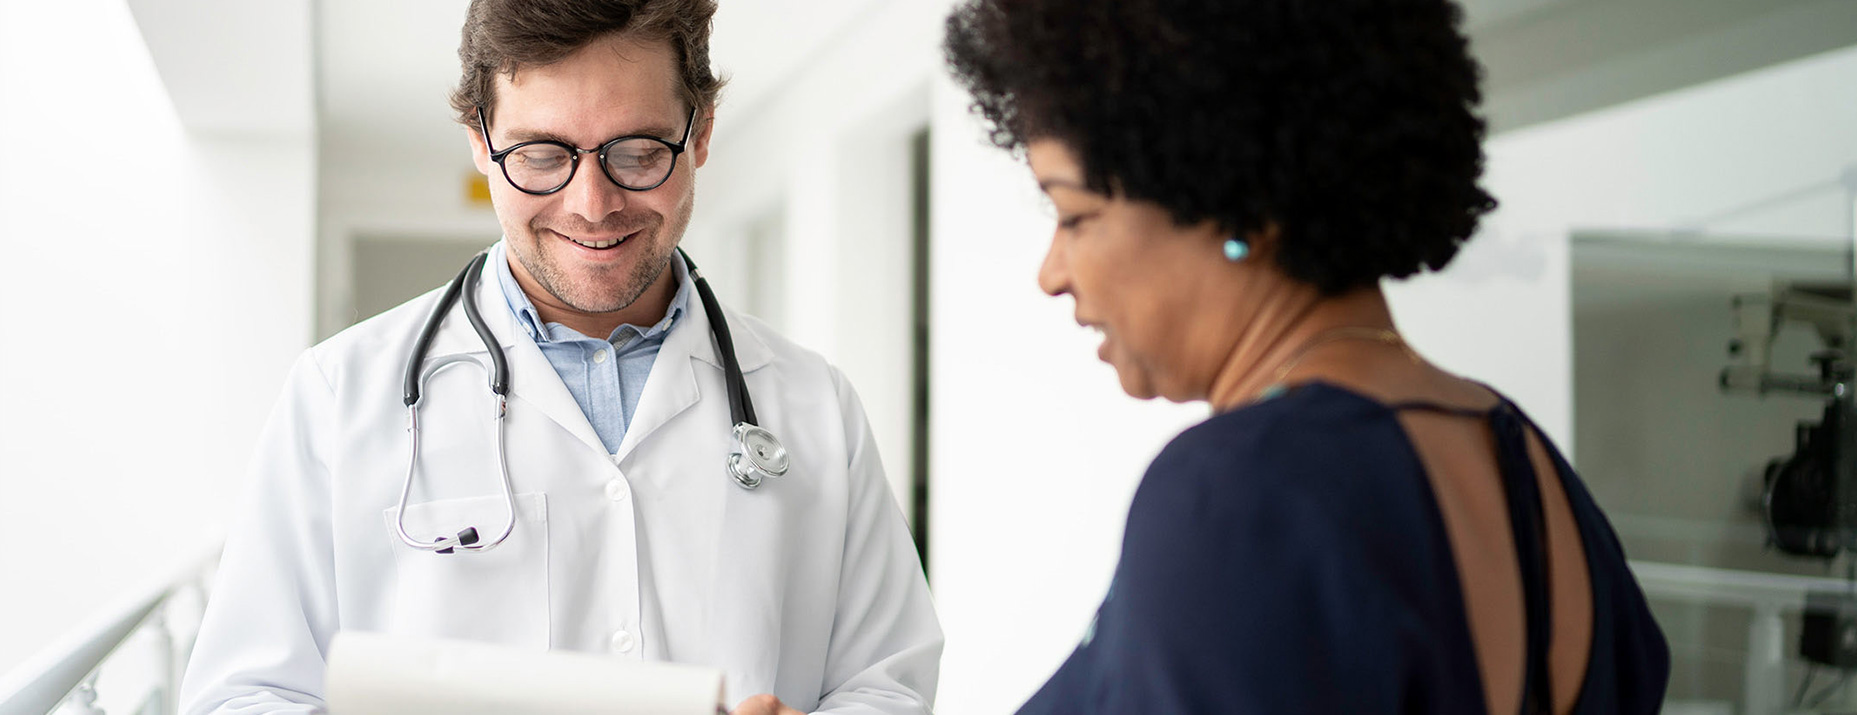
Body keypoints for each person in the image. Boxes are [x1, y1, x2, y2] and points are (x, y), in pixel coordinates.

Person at [179, 1, 941, 713]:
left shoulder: (813, 405)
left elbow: (888, 679)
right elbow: (242, 691)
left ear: (701, 131)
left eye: (638, 152)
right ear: (481, 138)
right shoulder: (336, 395)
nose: (592, 204)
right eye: (543, 155)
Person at [944, 0, 1669, 712]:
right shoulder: (1539, 477)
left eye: (1076, 216)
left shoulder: (1236, 494)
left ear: (1237, 203)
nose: (1052, 272)